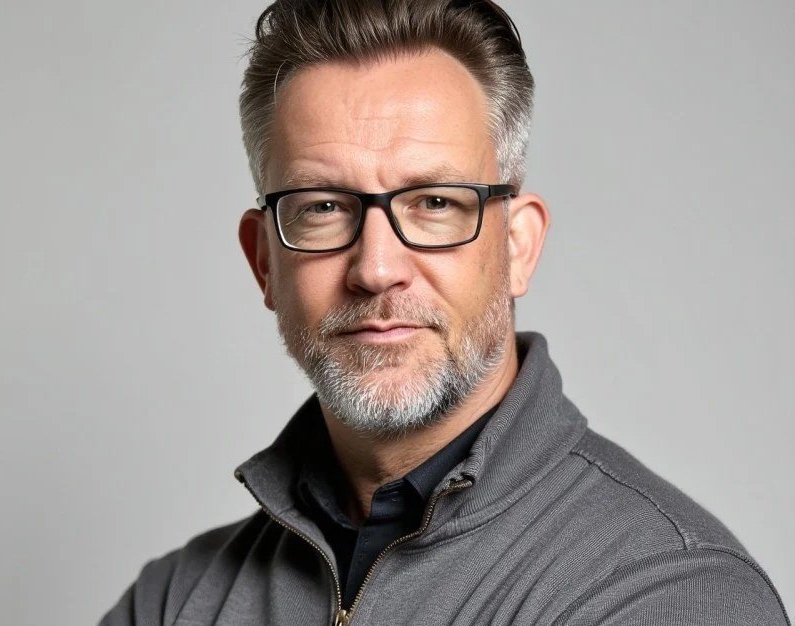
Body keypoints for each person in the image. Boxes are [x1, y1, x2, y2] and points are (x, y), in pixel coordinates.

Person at [100, 1, 789, 624]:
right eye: (323, 208)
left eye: (434, 203)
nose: (376, 269)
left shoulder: (666, 595)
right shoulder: (176, 601)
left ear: (517, 247)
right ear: (263, 263)